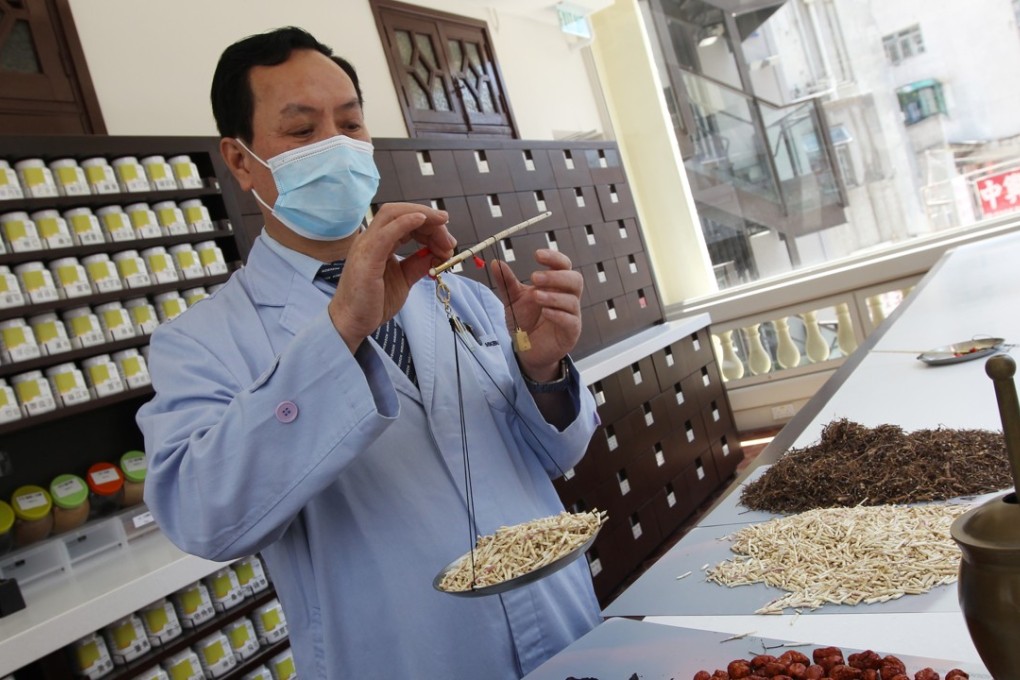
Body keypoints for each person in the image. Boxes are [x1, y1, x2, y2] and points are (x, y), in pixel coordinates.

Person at [136, 26, 602, 679]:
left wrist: (542, 370)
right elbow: (205, 520)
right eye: (302, 130)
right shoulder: (201, 342)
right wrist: (339, 333)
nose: (336, 146)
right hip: (408, 659)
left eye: (351, 125)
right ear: (240, 162)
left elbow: (557, 455)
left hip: (563, 625)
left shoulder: (456, 292)